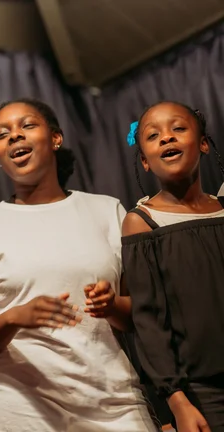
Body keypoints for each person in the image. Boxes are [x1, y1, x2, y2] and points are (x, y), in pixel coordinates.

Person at [0, 98, 156, 431]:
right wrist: (16, 317)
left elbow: (139, 316)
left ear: (56, 138)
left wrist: (112, 304)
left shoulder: (107, 211)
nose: (14, 136)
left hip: (113, 402)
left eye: (27, 125)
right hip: (24, 409)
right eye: (3, 134)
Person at [122, 101, 224, 432]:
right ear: (144, 161)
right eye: (154, 135)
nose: (167, 138)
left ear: (204, 143)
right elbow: (149, 321)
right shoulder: (143, 223)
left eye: (178, 129)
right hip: (202, 391)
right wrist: (176, 400)